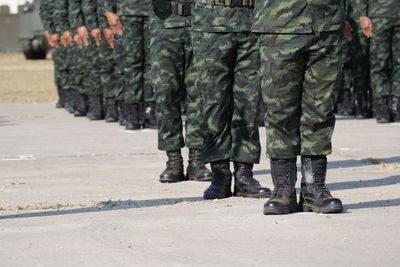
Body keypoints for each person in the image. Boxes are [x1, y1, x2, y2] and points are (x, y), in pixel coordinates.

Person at [252, 0, 344, 214]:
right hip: (279, 25)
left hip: (326, 22)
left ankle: (314, 189)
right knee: (280, 110)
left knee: (320, 110)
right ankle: (283, 190)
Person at [191, 0, 271, 199]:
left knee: (249, 102)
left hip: (253, 19)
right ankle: (220, 174)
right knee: (214, 102)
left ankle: (245, 175)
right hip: (211, 21)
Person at [149, 0, 212, 183]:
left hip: (201, 22)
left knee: (199, 92)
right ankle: (173, 160)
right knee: (165, 92)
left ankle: (197, 160)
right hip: (165, 25)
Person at [104, 0, 156, 130]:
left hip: (155, 12)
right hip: (128, 12)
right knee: (131, 63)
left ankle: (151, 112)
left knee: (153, 63)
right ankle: (133, 114)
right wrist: (109, 10)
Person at [357, 0, 400, 123]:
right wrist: (363, 14)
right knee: (379, 63)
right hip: (379, 14)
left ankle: (396, 105)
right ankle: (382, 107)